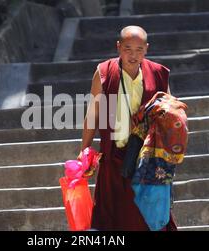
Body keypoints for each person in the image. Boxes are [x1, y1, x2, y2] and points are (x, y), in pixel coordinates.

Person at [79, 26, 177, 231]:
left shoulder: (158, 74)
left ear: (147, 49)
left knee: (147, 217)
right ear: (118, 47)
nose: (133, 55)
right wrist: (84, 149)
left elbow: (170, 112)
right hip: (114, 159)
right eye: (128, 48)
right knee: (113, 219)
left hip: (147, 160)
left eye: (139, 49)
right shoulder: (104, 72)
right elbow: (93, 113)